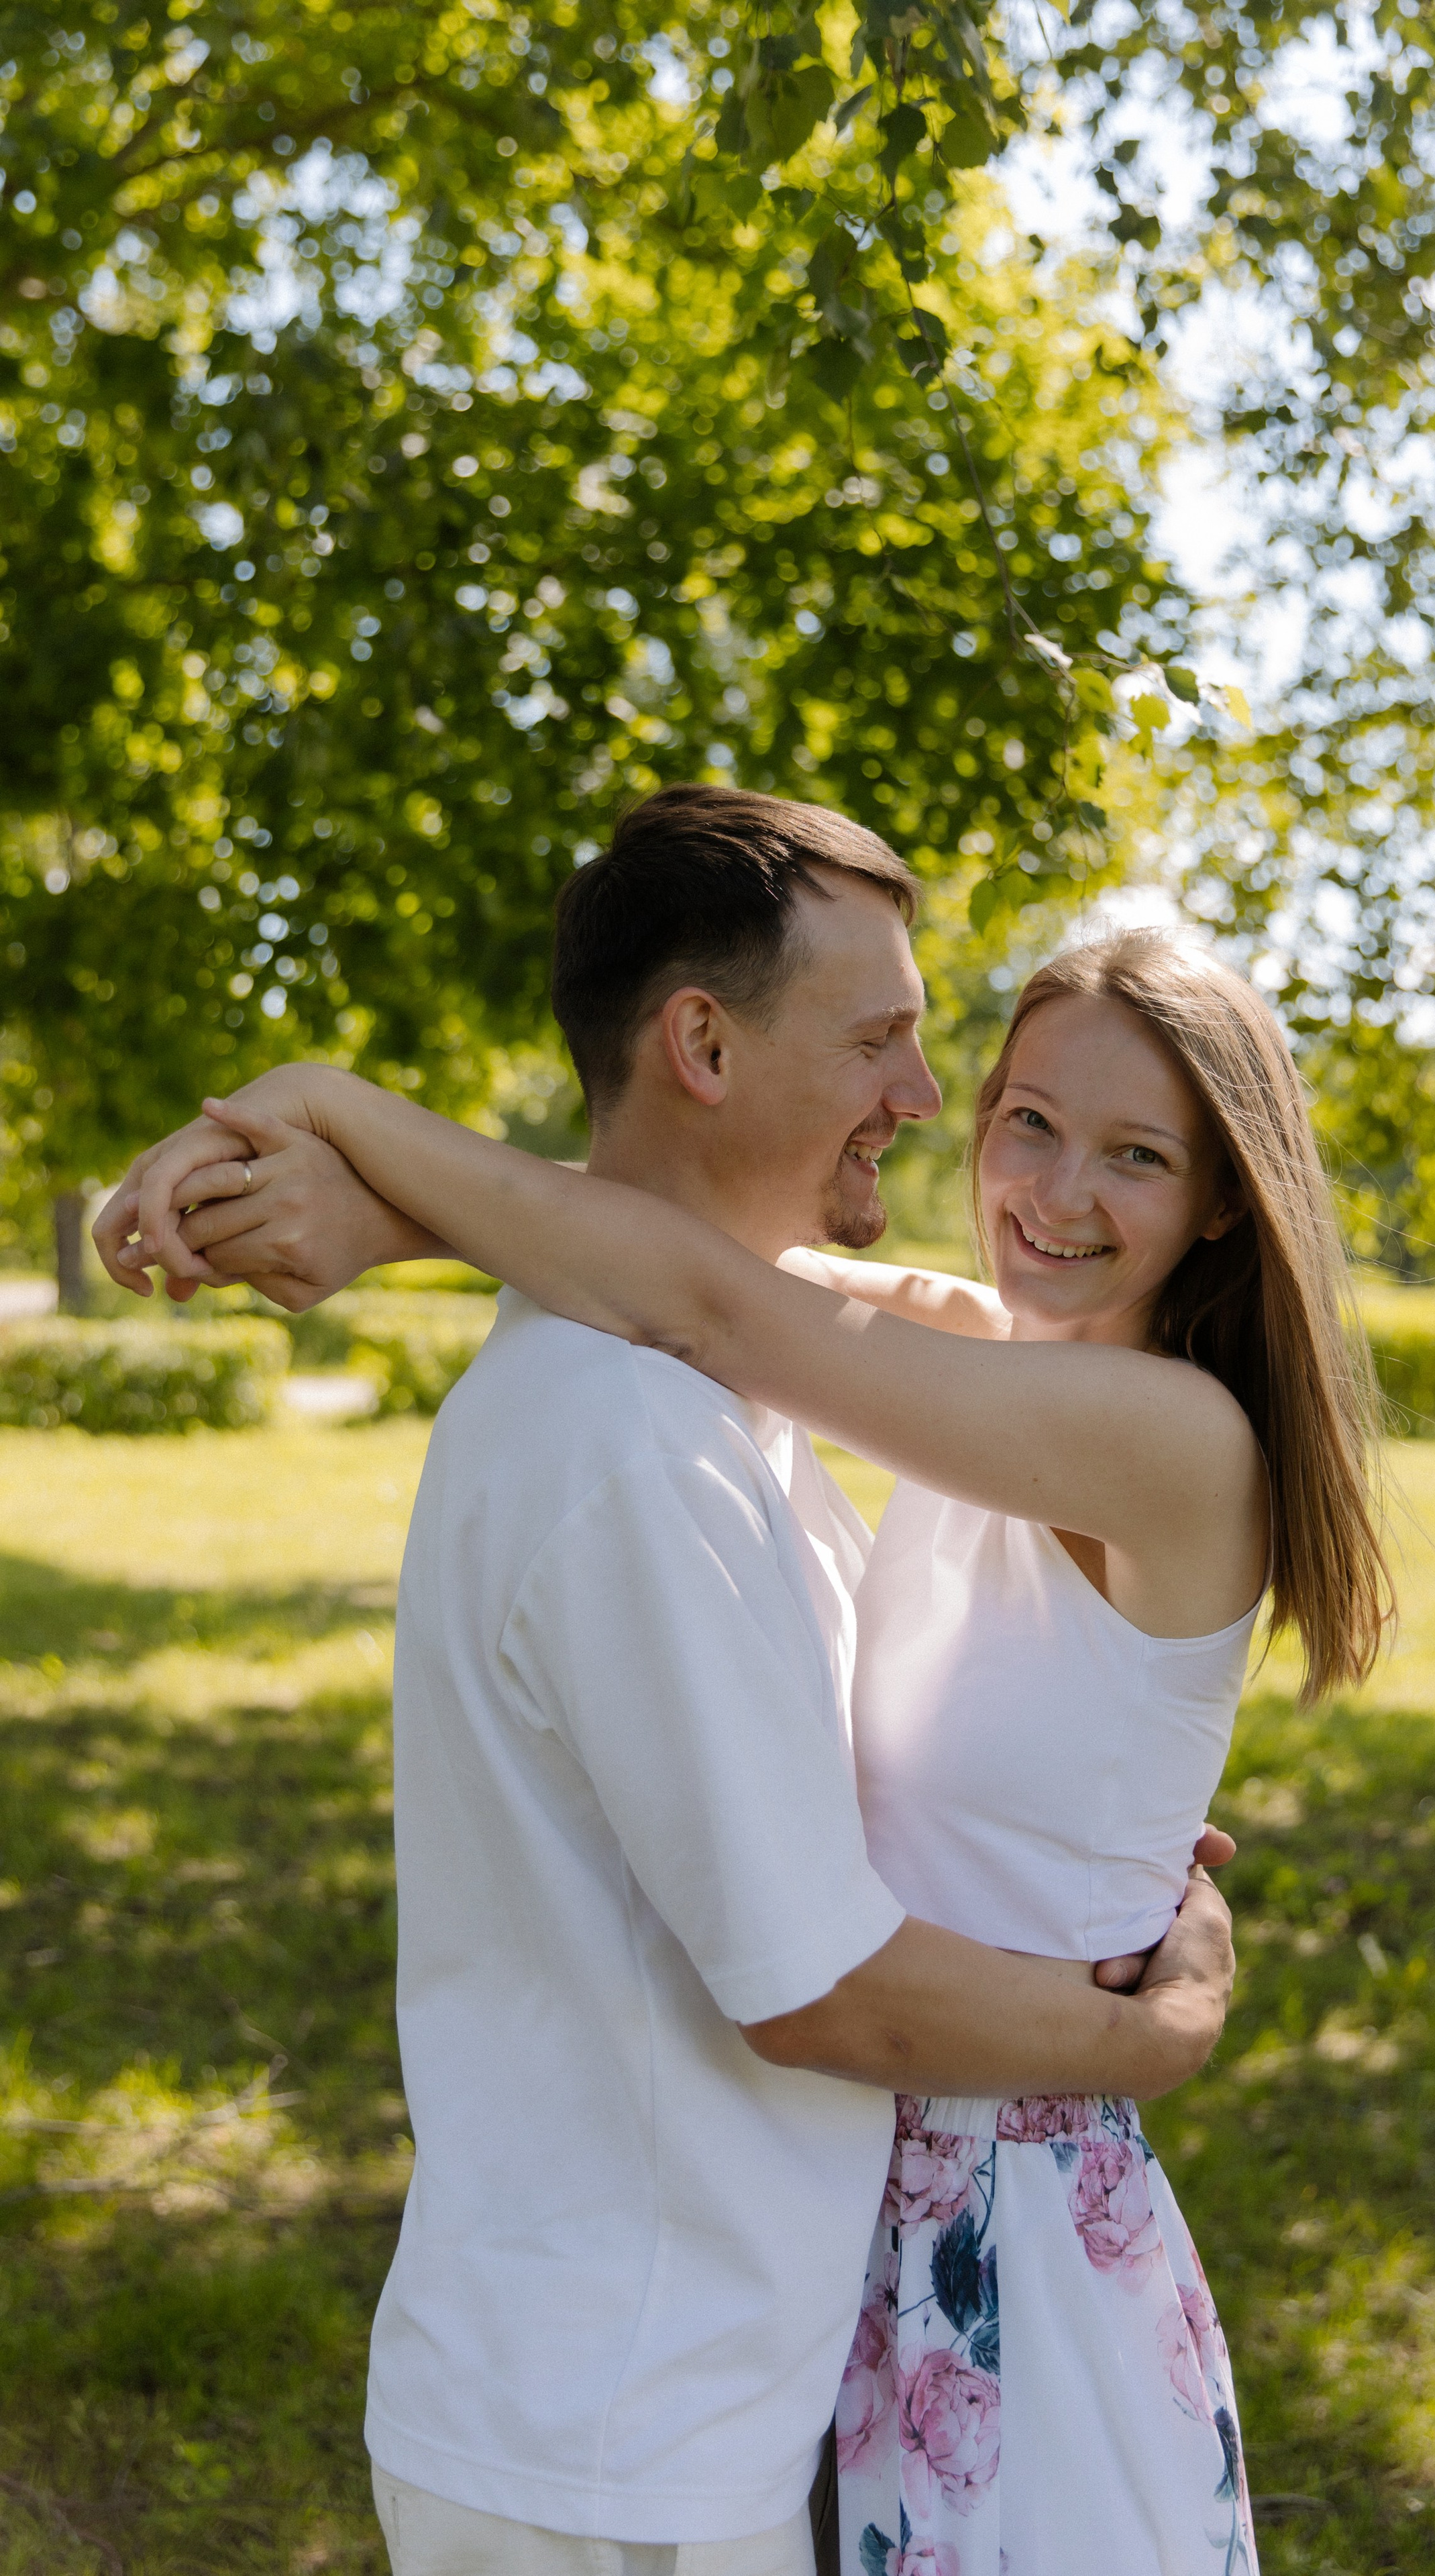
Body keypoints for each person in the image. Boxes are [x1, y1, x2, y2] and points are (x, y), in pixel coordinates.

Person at [97, 788, 1243, 2576]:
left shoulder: (855, 1395)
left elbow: (715, 1292)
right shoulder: (644, 1435)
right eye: (897, 1047)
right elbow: (821, 1987)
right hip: (629, 2429)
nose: (928, 1098)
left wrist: (351, 1137)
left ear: (1224, 1199)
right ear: (703, 1044)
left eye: (1139, 1154)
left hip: (789, 2351)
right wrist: (1148, 2031)